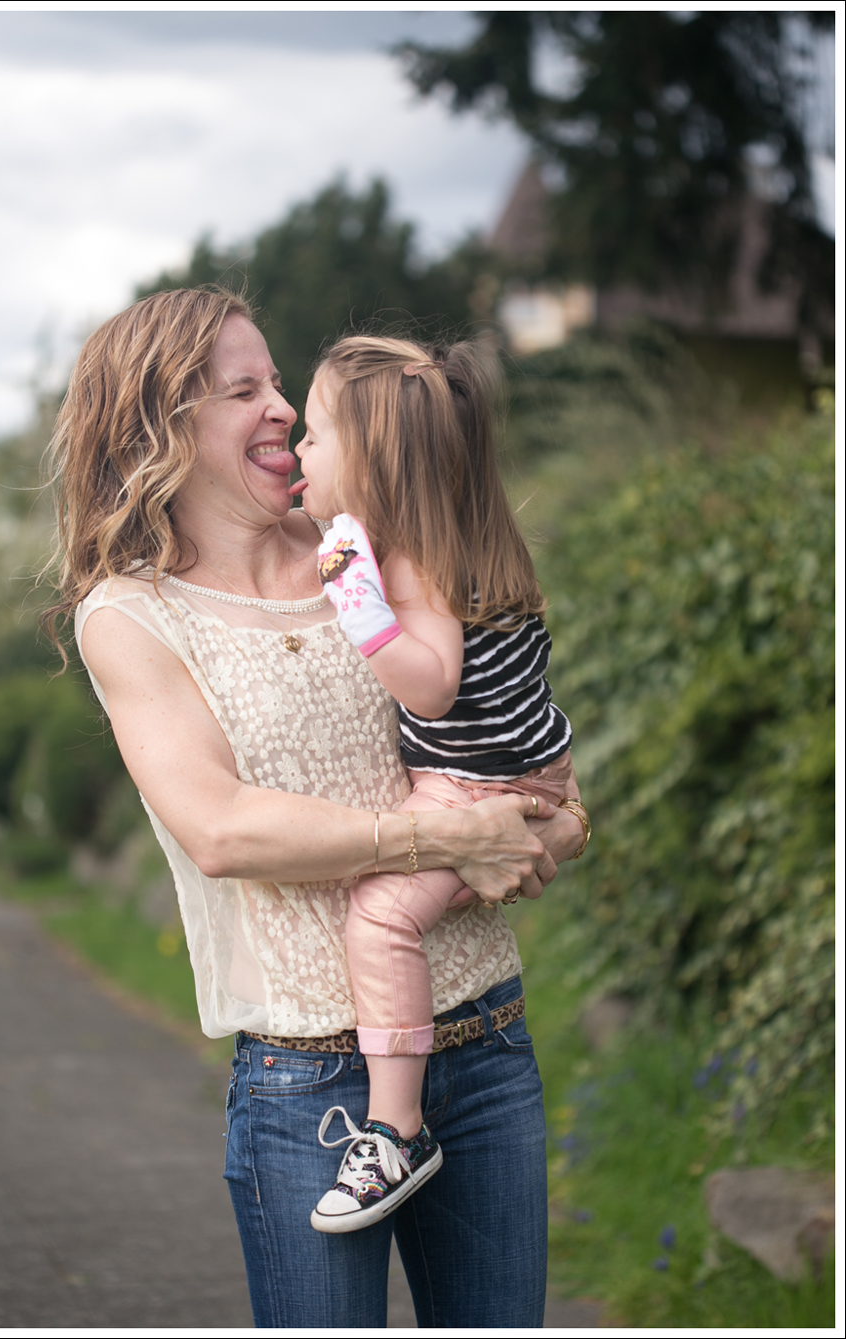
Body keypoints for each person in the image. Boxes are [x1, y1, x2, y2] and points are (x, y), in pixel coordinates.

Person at [43, 286, 587, 1329]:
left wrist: (557, 818)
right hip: (310, 1087)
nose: (284, 407)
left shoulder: (366, 543)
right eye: (243, 389)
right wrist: (447, 835)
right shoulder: (133, 615)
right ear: (161, 427)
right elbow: (222, 829)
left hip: (487, 1041)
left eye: (280, 382)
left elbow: (505, 726)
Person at [292, 336, 589, 1235]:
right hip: (538, 766)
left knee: (381, 917)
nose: (301, 449)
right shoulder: (469, 537)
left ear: (370, 461)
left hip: (472, 787)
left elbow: (432, 686)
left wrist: (360, 609)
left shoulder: (410, 561)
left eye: (315, 435)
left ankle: (396, 1128)